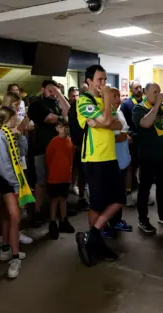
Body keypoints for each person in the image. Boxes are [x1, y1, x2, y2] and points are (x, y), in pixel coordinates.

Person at [74, 65, 122, 266]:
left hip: (110, 157)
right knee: (97, 203)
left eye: (105, 79)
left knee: (119, 199)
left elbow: (117, 124)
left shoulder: (104, 100)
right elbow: (105, 119)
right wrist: (106, 115)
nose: (104, 83)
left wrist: (105, 119)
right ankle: (97, 243)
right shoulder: (84, 101)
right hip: (94, 159)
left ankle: (90, 236)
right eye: (100, 80)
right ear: (89, 82)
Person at [0, 106, 34, 279]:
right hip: (6, 182)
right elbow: (3, 165)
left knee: (8, 216)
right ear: (11, 118)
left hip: (12, 180)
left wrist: (20, 136)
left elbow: (22, 153)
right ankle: (14, 257)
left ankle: (6, 248)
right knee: (15, 217)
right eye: (16, 117)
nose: (18, 120)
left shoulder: (9, 134)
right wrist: (16, 185)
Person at [132, 83, 163, 234]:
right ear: (146, 93)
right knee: (145, 188)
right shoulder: (139, 108)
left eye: (159, 91)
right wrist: (158, 104)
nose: (158, 94)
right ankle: (143, 219)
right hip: (149, 156)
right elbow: (146, 123)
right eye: (155, 92)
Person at [27, 80, 70, 227]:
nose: (52, 92)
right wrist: (62, 118)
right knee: (42, 182)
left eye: (55, 90)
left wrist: (59, 96)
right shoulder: (36, 104)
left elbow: (69, 113)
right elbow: (49, 118)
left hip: (60, 150)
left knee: (59, 181)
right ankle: (37, 211)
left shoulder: (57, 103)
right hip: (42, 149)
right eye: (50, 89)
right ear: (42, 89)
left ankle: (58, 212)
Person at [108, 88, 133, 234]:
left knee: (119, 193)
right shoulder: (106, 115)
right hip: (112, 160)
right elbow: (112, 136)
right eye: (114, 96)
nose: (118, 99)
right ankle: (106, 224)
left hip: (122, 159)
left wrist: (124, 135)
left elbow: (125, 132)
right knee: (111, 195)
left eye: (119, 96)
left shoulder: (119, 112)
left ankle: (117, 220)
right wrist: (122, 136)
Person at [45, 120, 75, 240]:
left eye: (66, 127)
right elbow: (48, 159)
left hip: (65, 176)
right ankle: (53, 223)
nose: (64, 130)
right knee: (54, 200)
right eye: (61, 127)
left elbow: (71, 158)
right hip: (54, 177)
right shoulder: (53, 142)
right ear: (57, 128)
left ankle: (63, 220)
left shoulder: (70, 141)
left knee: (63, 199)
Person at [67, 86, 89, 210]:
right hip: (79, 145)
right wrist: (78, 144)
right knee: (80, 171)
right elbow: (76, 128)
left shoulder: (81, 106)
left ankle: (82, 196)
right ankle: (81, 197)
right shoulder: (76, 108)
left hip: (84, 144)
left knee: (82, 172)